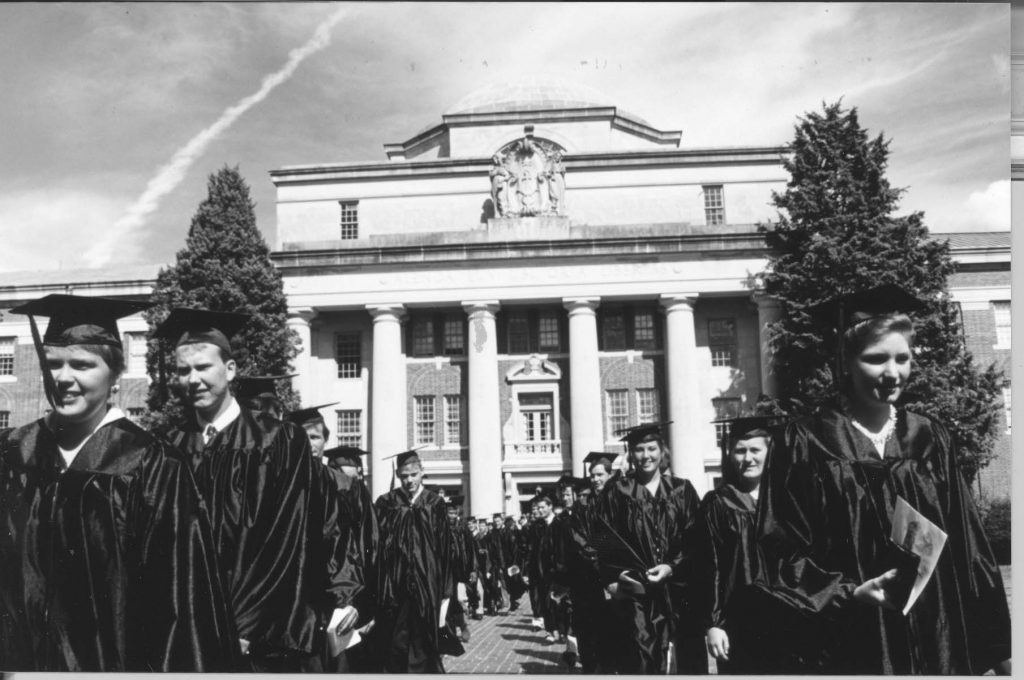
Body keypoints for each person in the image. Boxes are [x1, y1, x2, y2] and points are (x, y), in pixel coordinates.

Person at [755, 284, 1011, 674]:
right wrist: (845, 592)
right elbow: (778, 548)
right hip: (848, 633)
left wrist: (997, 643)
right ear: (845, 361)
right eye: (876, 359)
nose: (893, 373)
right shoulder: (805, 440)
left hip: (934, 628)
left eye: (903, 358)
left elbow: (968, 545)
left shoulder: (929, 436)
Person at [0, 295, 236, 671]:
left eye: (81, 365)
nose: (63, 378)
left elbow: (181, 601)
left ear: (114, 374)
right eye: (53, 364)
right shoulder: (13, 453)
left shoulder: (150, 463)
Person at [155, 308, 356, 672]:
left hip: (260, 635)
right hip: (186, 633)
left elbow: (287, 540)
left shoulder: (278, 439)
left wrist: (245, 626)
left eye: (203, 367)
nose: (193, 379)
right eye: (183, 371)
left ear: (230, 370)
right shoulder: (169, 446)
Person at [586, 422, 703, 674]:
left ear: (662, 451)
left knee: (685, 658)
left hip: (679, 590)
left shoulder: (682, 490)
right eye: (639, 449)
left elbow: (696, 538)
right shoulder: (617, 491)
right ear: (631, 454)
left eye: (652, 448)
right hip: (636, 592)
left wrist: (672, 566)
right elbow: (600, 537)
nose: (646, 455)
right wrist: (611, 579)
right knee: (641, 657)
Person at [696, 415, 785, 674]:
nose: (748, 458)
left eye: (756, 450)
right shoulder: (718, 502)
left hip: (786, 616)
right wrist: (714, 623)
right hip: (738, 620)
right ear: (730, 455)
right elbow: (709, 566)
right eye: (740, 450)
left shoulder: (786, 500)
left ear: (769, 452)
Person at [369, 449, 455, 672]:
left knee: (423, 639)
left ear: (422, 472)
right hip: (395, 584)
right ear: (398, 475)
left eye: (413, 474)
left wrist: (446, 588)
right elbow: (376, 544)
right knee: (395, 640)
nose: (409, 480)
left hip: (427, 582)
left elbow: (444, 548)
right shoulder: (387, 502)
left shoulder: (434, 503)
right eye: (404, 476)